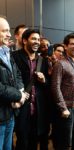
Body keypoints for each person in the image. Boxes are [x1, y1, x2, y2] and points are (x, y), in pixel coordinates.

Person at [12, 29, 50, 150]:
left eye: (38, 39)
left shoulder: (42, 61)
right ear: (24, 40)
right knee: (22, 140)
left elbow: (47, 85)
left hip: (38, 108)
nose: (37, 42)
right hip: (22, 106)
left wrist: (44, 80)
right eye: (33, 39)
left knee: (34, 140)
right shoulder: (14, 57)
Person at [0, 16, 29, 150]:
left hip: (9, 115)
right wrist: (18, 95)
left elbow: (16, 74)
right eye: (5, 31)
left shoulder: (6, 52)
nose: (9, 34)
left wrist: (21, 93)